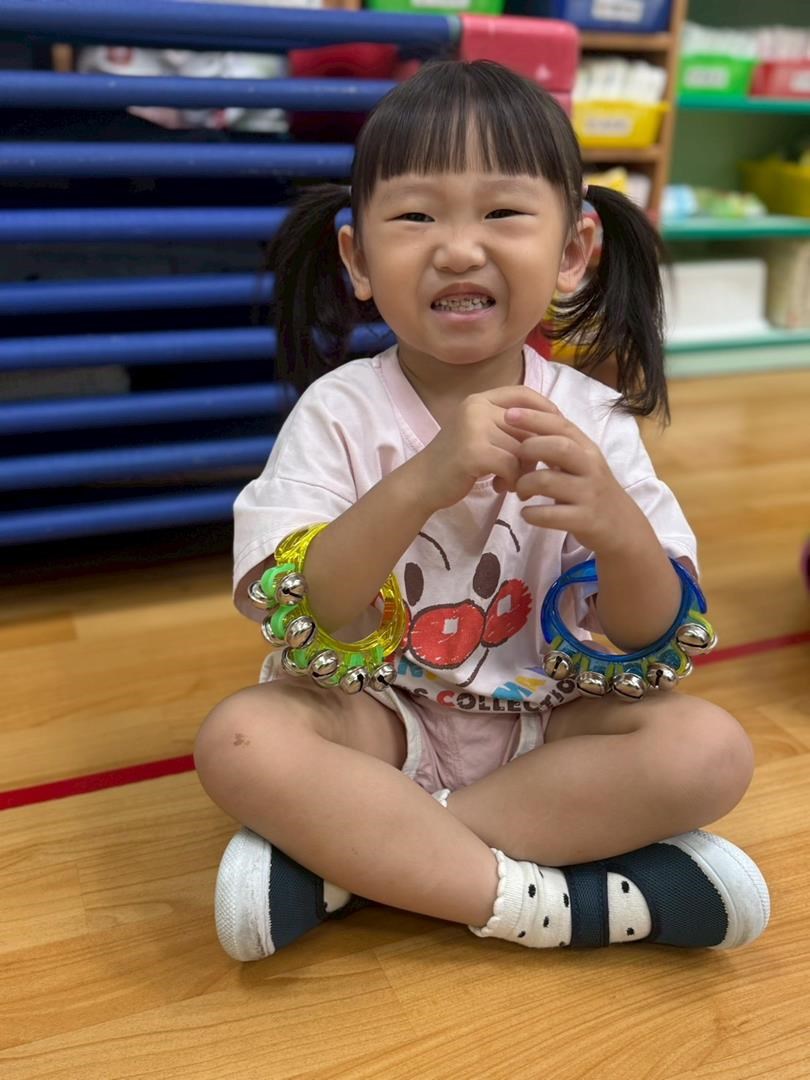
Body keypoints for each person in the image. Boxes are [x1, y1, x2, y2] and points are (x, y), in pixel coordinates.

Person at [194, 59, 770, 961]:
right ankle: (558, 906)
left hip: (551, 726)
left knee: (711, 750)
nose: (458, 249)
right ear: (357, 259)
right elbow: (318, 611)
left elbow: (651, 635)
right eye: (415, 217)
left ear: (573, 250)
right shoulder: (339, 411)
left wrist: (617, 528)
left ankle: (362, 858)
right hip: (380, 718)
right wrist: (422, 479)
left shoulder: (594, 418)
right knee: (239, 738)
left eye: (502, 212)